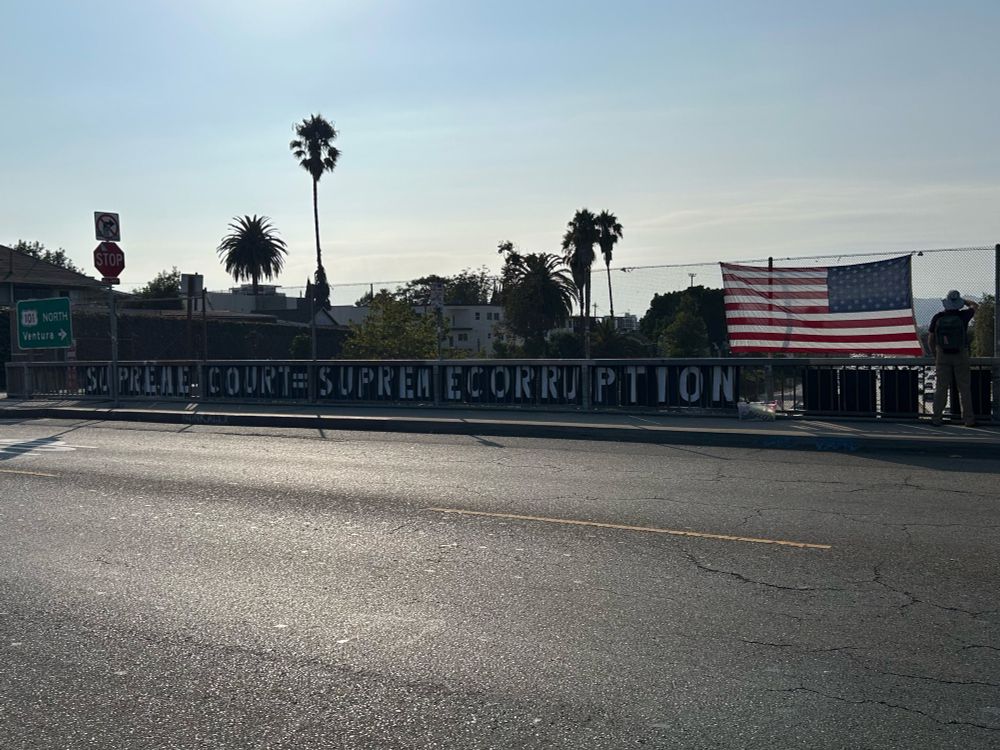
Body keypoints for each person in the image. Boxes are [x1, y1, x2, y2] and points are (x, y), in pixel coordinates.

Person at [928, 290, 978, 426]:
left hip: (942, 355)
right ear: (959, 304)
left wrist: (936, 354)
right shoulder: (964, 316)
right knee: (964, 388)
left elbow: (931, 339)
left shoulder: (937, 317)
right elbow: (975, 306)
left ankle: (937, 418)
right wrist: (965, 302)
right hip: (960, 354)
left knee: (941, 388)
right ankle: (968, 419)